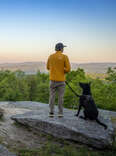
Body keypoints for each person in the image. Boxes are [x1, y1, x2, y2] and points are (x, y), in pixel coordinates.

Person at [47, 42, 71, 117]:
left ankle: (51, 112)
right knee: (61, 97)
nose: (63, 49)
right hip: (61, 80)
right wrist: (62, 70)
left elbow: (48, 67)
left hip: (52, 80)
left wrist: (55, 69)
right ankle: (60, 113)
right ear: (61, 48)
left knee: (52, 96)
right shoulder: (65, 57)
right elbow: (68, 69)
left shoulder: (51, 56)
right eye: (63, 48)